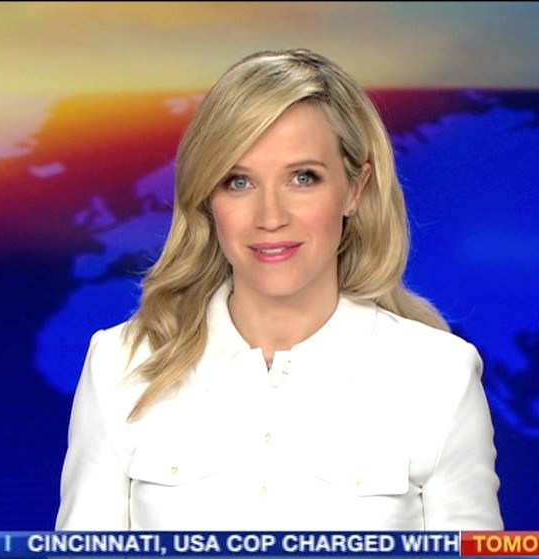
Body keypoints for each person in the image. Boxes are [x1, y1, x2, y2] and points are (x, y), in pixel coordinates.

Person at [55, 48, 503, 532]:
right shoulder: (120, 365)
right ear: (207, 198)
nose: (270, 217)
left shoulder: (439, 376)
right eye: (238, 181)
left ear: (355, 189)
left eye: (302, 178)